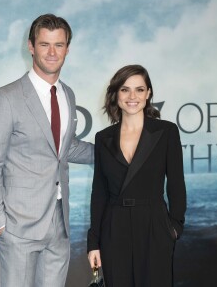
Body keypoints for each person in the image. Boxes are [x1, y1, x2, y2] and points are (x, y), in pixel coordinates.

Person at [0, 13, 94, 287]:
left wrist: (113, 153)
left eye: (59, 45)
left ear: (67, 49)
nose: (52, 52)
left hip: (60, 222)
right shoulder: (4, 98)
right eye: (44, 44)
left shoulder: (68, 94)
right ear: (31, 46)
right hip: (19, 225)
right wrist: (0, 223)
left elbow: (65, 148)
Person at [87, 65, 186, 287]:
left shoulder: (166, 132)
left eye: (139, 90)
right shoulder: (103, 138)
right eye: (125, 89)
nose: (133, 97)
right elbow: (99, 192)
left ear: (148, 93)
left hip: (154, 226)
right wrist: (93, 242)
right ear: (116, 94)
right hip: (115, 228)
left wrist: (174, 227)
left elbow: (177, 184)